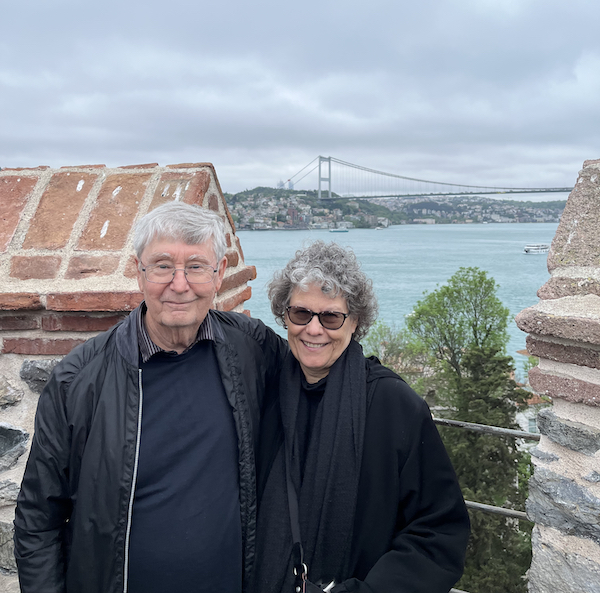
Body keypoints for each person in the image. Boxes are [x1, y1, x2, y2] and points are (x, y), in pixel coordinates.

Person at [14, 201, 287, 593]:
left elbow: (318, 367)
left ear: (220, 273)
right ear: (138, 270)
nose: (179, 284)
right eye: (162, 266)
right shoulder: (80, 379)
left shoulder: (252, 349)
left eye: (195, 267)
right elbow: (38, 518)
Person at [251, 241, 470, 593]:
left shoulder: (392, 405)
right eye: (301, 314)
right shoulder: (265, 393)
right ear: (284, 316)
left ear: (354, 322)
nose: (313, 329)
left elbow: (439, 532)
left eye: (331, 316)